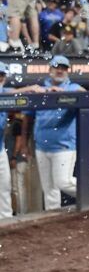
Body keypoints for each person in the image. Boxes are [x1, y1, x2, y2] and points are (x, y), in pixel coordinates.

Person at [29, 56, 89, 210]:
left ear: (68, 71)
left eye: (63, 68)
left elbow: (86, 96)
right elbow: (27, 118)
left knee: (63, 182)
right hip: (41, 146)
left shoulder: (72, 88)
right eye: (57, 67)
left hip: (64, 146)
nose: (60, 70)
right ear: (50, 70)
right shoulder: (39, 89)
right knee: (49, 190)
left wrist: (61, 94)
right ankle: (52, 219)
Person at [0, 62, 45, 217]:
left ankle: (5, 220)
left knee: (5, 186)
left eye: (1, 75)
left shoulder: (6, 90)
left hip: (0, 152)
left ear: (4, 78)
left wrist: (33, 88)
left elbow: (13, 92)